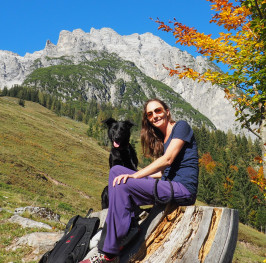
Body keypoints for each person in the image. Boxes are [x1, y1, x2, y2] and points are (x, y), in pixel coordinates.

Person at [82, 98, 199, 263]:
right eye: (150, 114)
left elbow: (168, 159)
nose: (154, 116)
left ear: (167, 111)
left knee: (125, 182)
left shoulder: (181, 126)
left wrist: (136, 176)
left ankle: (109, 253)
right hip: (168, 185)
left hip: (183, 190)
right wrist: (142, 177)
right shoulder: (164, 137)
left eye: (158, 110)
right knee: (116, 171)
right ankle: (126, 225)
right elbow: (165, 172)